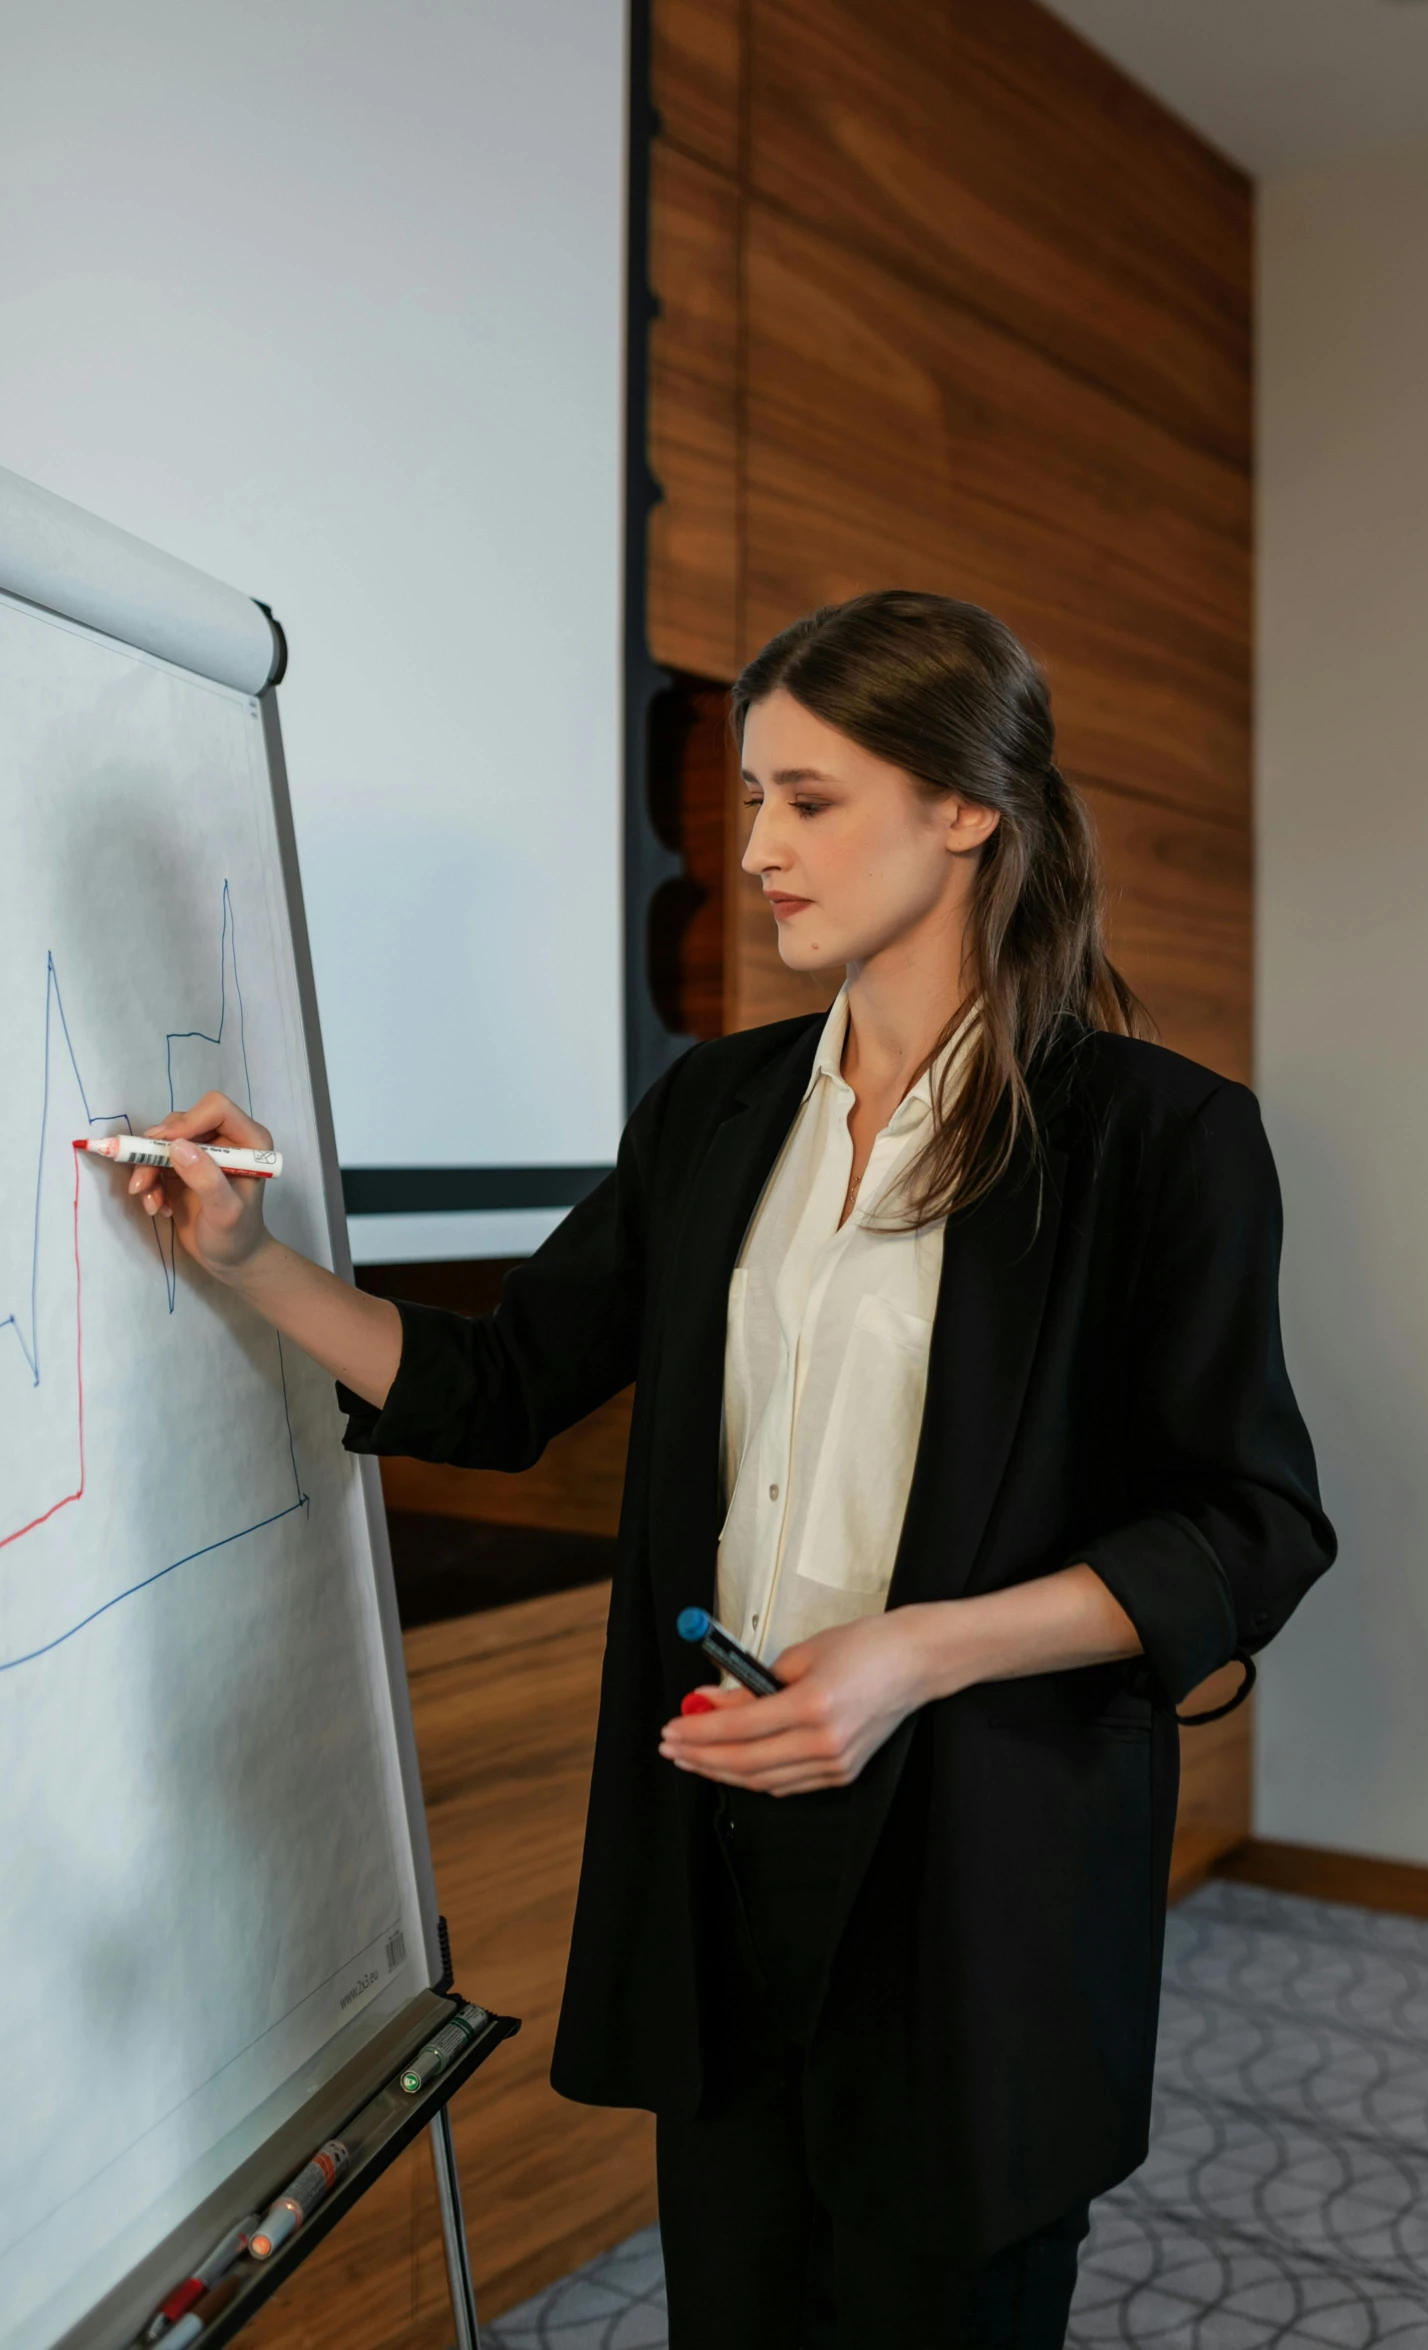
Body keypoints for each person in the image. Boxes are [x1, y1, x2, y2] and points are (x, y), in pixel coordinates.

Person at [126, 592, 1335, 2349]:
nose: (753, 848)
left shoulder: (1161, 1138)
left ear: (966, 809)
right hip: (717, 1835)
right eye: (748, 799)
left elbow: (1252, 1526)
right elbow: (497, 1380)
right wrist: (249, 1262)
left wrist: (916, 1651)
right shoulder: (716, 1109)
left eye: (808, 798)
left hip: (974, 1866)